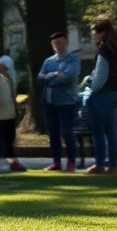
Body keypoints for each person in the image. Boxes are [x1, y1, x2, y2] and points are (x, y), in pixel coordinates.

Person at [83, 18, 117, 175]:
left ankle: (100, 164)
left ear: (101, 32)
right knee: (111, 132)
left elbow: (100, 77)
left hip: (103, 95)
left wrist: (91, 89)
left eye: (94, 32)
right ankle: (113, 166)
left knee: (99, 132)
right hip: (115, 93)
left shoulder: (104, 49)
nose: (93, 35)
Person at [37, 30, 80, 172]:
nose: (57, 45)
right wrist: (53, 75)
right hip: (49, 102)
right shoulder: (48, 61)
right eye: (54, 43)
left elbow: (67, 77)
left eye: (60, 42)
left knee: (66, 132)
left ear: (66, 42)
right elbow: (40, 78)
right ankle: (56, 162)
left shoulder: (73, 58)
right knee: (53, 133)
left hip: (66, 102)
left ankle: (71, 162)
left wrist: (49, 79)